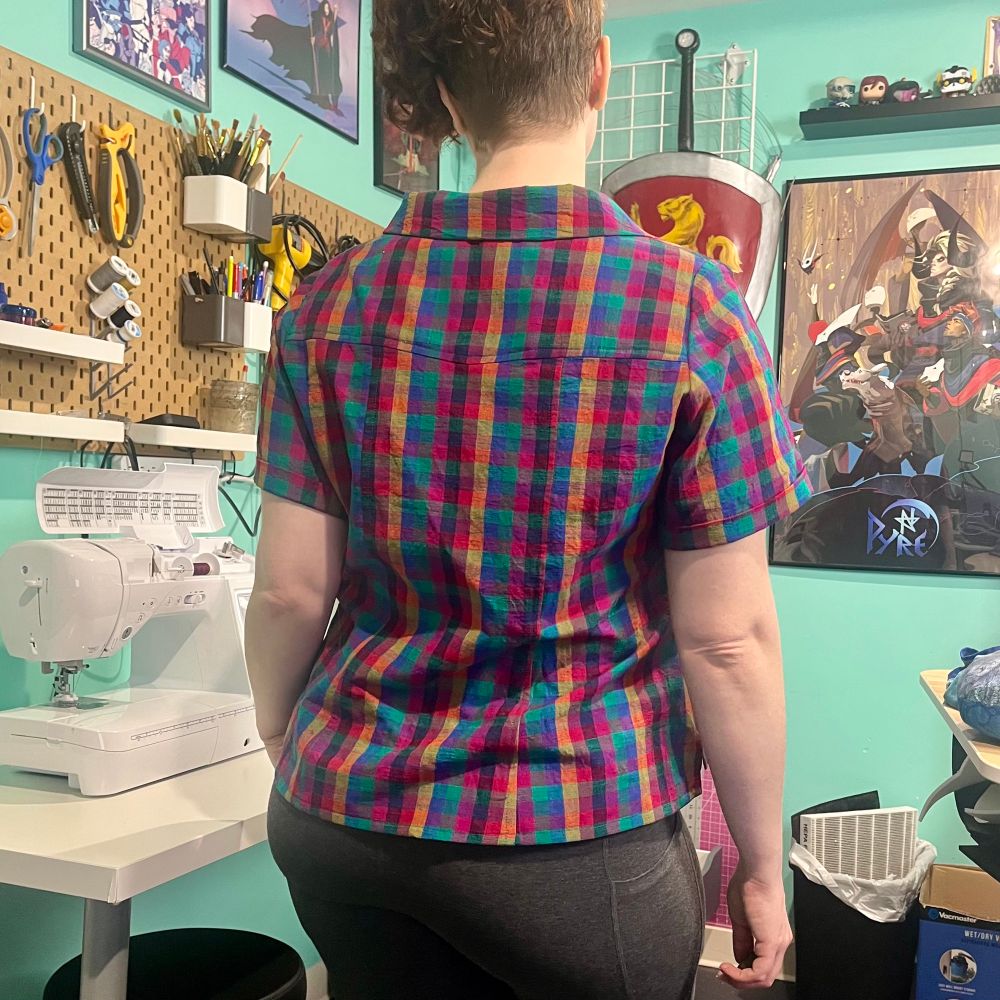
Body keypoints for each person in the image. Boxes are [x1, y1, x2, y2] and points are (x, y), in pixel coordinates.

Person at [247, 2, 808, 997]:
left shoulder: (325, 306)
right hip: (568, 838)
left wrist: (290, 739)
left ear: (448, 98)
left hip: (342, 824)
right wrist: (762, 870)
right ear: (598, 73)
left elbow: (291, 592)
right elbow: (726, 641)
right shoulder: (689, 310)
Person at [311, 0, 343, 112]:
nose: (326, 10)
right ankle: (321, 94)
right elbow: (315, 29)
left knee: (329, 70)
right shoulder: (319, 19)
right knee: (321, 70)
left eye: (327, 8)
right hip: (320, 45)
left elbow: (332, 28)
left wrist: (335, 12)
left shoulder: (330, 20)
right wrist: (313, 38)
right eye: (324, 8)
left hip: (327, 47)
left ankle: (330, 97)